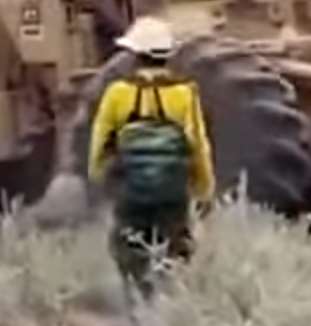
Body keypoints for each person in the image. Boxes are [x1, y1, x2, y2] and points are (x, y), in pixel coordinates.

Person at [84, 16, 217, 296]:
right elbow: (197, 144)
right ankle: (170, 298)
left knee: (129, 247)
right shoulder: (183, 95)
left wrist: (98, 176)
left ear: (134, 55)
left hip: (131, 191)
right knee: (176, 245)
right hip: (172, 191)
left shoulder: (117, 94)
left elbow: (100, 140)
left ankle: (137, 299)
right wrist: (203, 187)